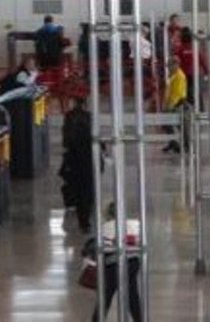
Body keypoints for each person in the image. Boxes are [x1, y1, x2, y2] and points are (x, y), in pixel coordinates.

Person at [87, 203, 143, 322]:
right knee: (131, 294)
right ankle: (139, 319)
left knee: (106, 296)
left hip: (113, 265)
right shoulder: (133, 224)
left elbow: (97, 246)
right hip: (132, 262)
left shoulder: (104, 227)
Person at [60, 100, 95, 231]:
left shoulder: (69, 117)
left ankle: (82, 217)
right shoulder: (89, 117)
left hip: (73, 158)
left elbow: (66, 140)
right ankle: (86, 218)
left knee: (77, 187)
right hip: (88, 159)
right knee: (87, 188)